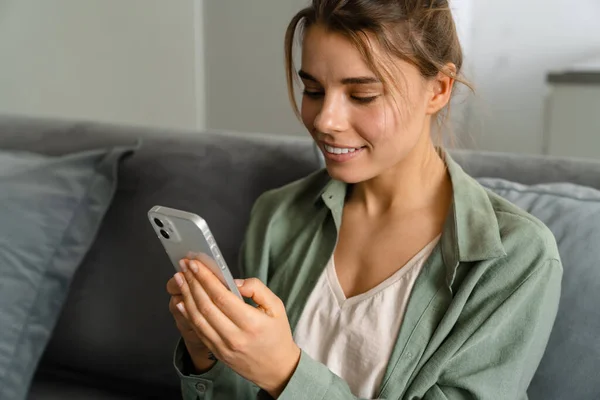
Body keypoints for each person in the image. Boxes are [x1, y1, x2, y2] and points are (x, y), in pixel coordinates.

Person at [166, 0, 562, 398]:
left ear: (439, 89)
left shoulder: (514, 256)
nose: (325, 120)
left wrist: (285, 372)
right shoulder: (278, 215)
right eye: (314, 90)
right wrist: (209, 355)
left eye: (363, 95)